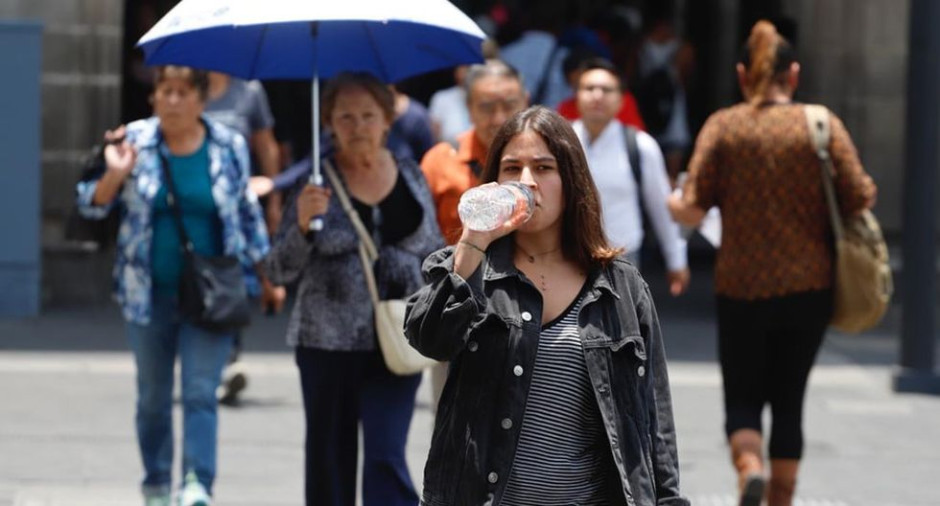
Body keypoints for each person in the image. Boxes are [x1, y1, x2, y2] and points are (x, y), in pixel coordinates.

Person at [405, 106, 689, 506]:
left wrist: (670, 500)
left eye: (543, 168)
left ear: (570, 180)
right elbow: (429, 339)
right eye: (511, 168)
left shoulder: (620, 286)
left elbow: (653, 413)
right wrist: (471, 247)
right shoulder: (469, 268)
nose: (526, 182)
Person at [667, 21, 877, 506]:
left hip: (741, 284)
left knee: (742, 394)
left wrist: (672, 201)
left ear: (743, 74)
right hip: (810, 285)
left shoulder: (725, 126)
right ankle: (780, 497)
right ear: (794, 74)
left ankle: (749, 468)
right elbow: (861, 196)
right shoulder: (820, 124)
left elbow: (692, 209)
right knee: (789, 399)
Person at [75, 66, 272, 506]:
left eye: (184, 92)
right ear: (154, 97)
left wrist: (265, 273)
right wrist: (114, 173)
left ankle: (197, 483)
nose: (174, 101)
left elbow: (245, 213)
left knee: (201, 391)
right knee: (153, 397)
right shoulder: (132, 143)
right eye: (166, 91)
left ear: (203, 100)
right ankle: (157, 483)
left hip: (210, 292)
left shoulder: (228, 146)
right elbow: (88, 206)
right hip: (147, 293)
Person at [262, 72, 443, 506]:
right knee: (329, 458)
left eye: (368, 115)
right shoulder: (316, 184)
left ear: (387, 120)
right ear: (329, 123)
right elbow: (279, 268)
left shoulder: (409, 174)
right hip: (326, 343)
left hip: (398, 337)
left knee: (385, 453)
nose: (357, 126)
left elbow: (435, 251)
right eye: (345, 116)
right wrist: (303, 226)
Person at [420, 59, 529, 412]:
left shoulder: (542, 164)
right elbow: (421, 239)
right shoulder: (440, 160)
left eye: (509, 105)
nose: (499, 117)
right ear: (468, 108)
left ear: (525, 101)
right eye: (486, 106)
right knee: (452, 426)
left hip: (530, 308)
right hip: (459, 307)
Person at [573, 57, 689, 296]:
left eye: (606, 90)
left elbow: (660, 206)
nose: (597, 95)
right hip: (568, 256)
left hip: (623, 259)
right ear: (577, 95)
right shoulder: (561, 142)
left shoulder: (640, 145)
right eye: (589, 88)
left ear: (620, 100)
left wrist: (676, 260)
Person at [204, 71, 287, 405]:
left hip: (236, 207)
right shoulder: (188, 89)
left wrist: (275, 198)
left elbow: (266, 145)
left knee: (233, 279)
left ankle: (230, 357)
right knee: (200, 281)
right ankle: (210, 360)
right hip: (195, 206)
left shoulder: (250, 92)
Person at [556, 48, 647, 130]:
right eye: (587, 88)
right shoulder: (565, 109)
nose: (597, 96)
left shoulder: (625, 100)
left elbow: (636, 131)